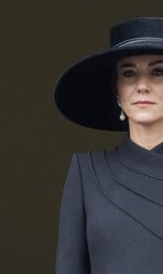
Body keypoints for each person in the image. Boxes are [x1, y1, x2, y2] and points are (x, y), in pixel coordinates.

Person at [54, 17, 163, 273]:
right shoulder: (87, 172)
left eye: (158, 72)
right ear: (117, 88)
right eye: (128, 73)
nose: (142, 86)